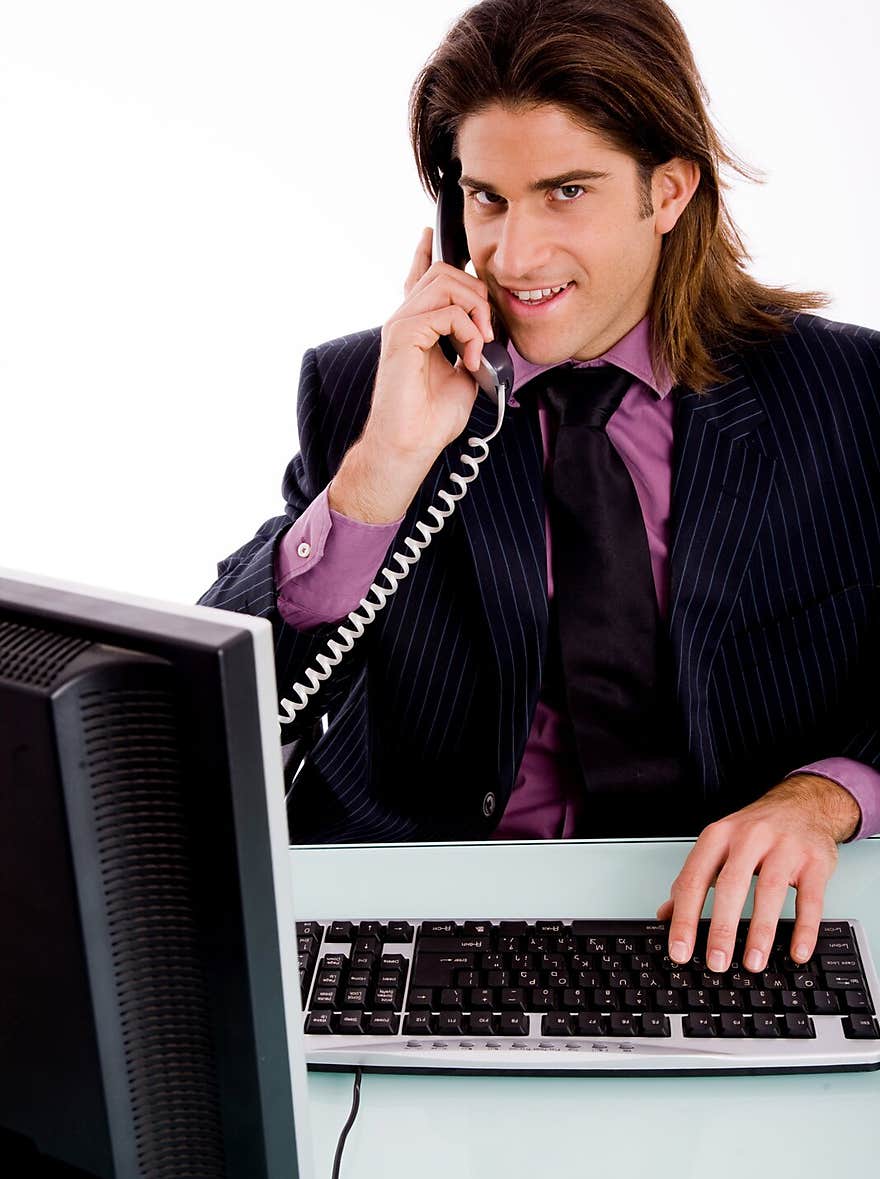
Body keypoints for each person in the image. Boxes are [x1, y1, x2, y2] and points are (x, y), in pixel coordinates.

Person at [199, 0, 879, 976]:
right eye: (486, 198)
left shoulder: (846, 397)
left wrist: (826, 794)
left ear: (669, 191)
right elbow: (214, 712)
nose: (513, 257)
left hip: (729, 933)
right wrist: (383, 466)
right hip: (426, 938)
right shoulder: (370, 388)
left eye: (565, 192)